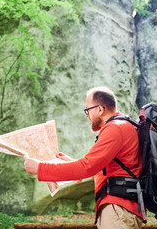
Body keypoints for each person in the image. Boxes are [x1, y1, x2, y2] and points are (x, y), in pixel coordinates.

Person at [24, 86, 143, 229]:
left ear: (99, 109)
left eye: (88, 110)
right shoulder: (125, 125)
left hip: (118, 210)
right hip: (123, 208)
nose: (86, 115)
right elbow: (109, 170)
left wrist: (39, 168)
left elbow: (86, 167)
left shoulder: (115, 128)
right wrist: (74, 163)